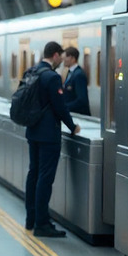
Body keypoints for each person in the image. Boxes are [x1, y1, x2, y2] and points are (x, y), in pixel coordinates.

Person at [24, 42, 81, 238]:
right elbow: (60, 107)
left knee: (33, 173)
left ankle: (30, 218)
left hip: (32, 132)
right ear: (55, 55)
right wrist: (72, 127)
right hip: (49, 135)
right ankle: (42, 223)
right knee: (45, 178)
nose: (61, 61)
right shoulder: (52, 77)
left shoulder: (31, 72)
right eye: (60, 57)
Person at [62, 46, 90, 116]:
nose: (63, 60)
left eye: (65, 58)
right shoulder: (70, 73)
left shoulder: (79, 75)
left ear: (72, 58)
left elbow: (82, 100)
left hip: (79, 114)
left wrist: (64, 107)